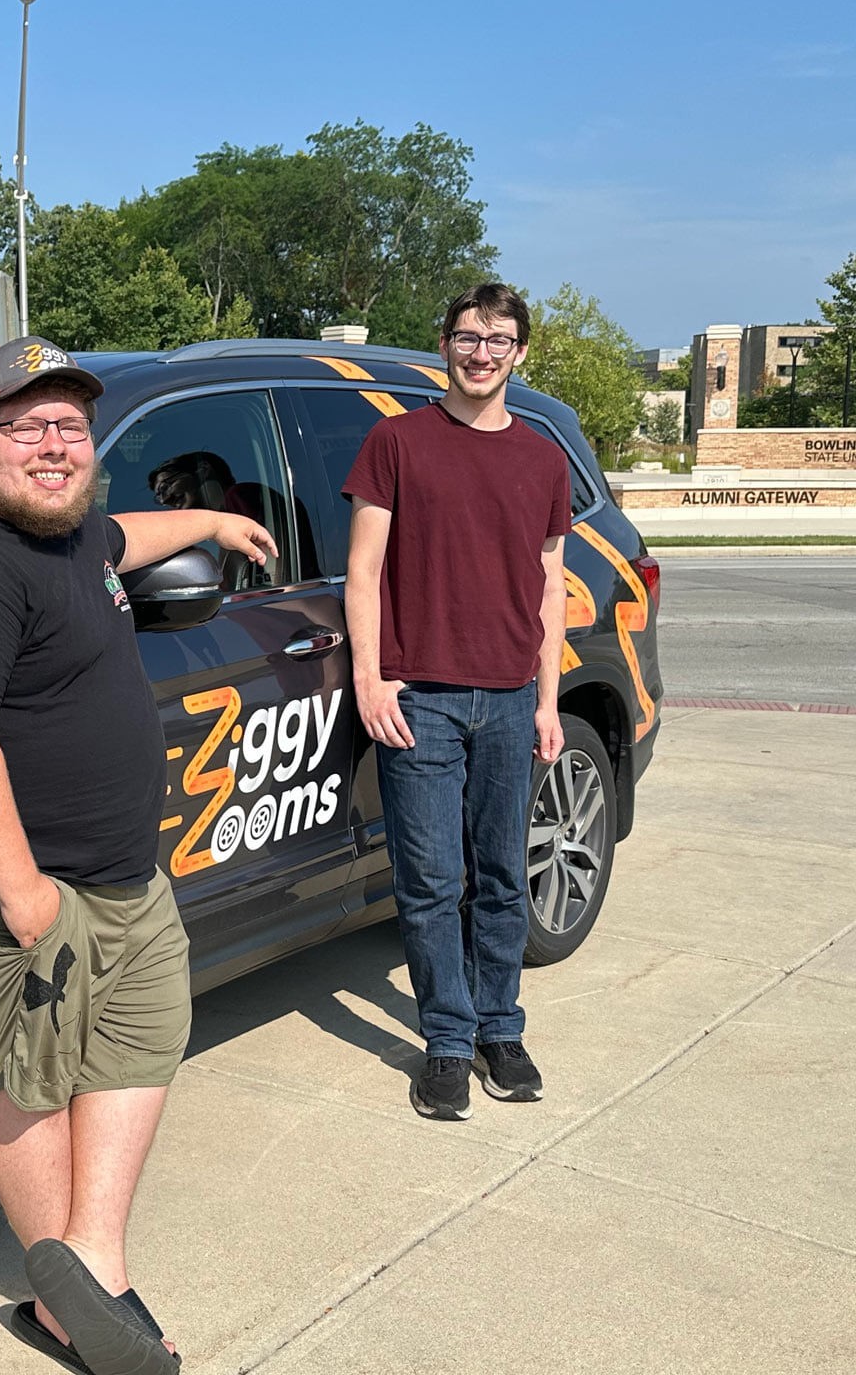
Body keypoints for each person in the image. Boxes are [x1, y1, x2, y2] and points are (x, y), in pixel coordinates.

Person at [0, 337, 276, 1374]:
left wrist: (214, 521)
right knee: (37, 1079)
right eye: (27, 427)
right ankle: (69, 1306)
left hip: (120, 872)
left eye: (72, 427)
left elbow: (128, 535)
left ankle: (91, 1265)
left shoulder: (71, 535)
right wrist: (24, 897)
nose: (54, 445)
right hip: (13, 889)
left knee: (139, 1045)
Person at [340, 284, 571, 1122]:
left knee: (504, 878)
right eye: (469, 337)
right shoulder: (396, 442)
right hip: (421, 701)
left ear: (519, 352)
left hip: (510, 698)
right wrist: (371, 678)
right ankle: (446, 1039)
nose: (482, 353)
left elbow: (550, 584)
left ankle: (499, 1030)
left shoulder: (542, 458)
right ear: (444, 344)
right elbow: (363, 571)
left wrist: (548, 701)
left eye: (498, 339)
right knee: (432, 882)